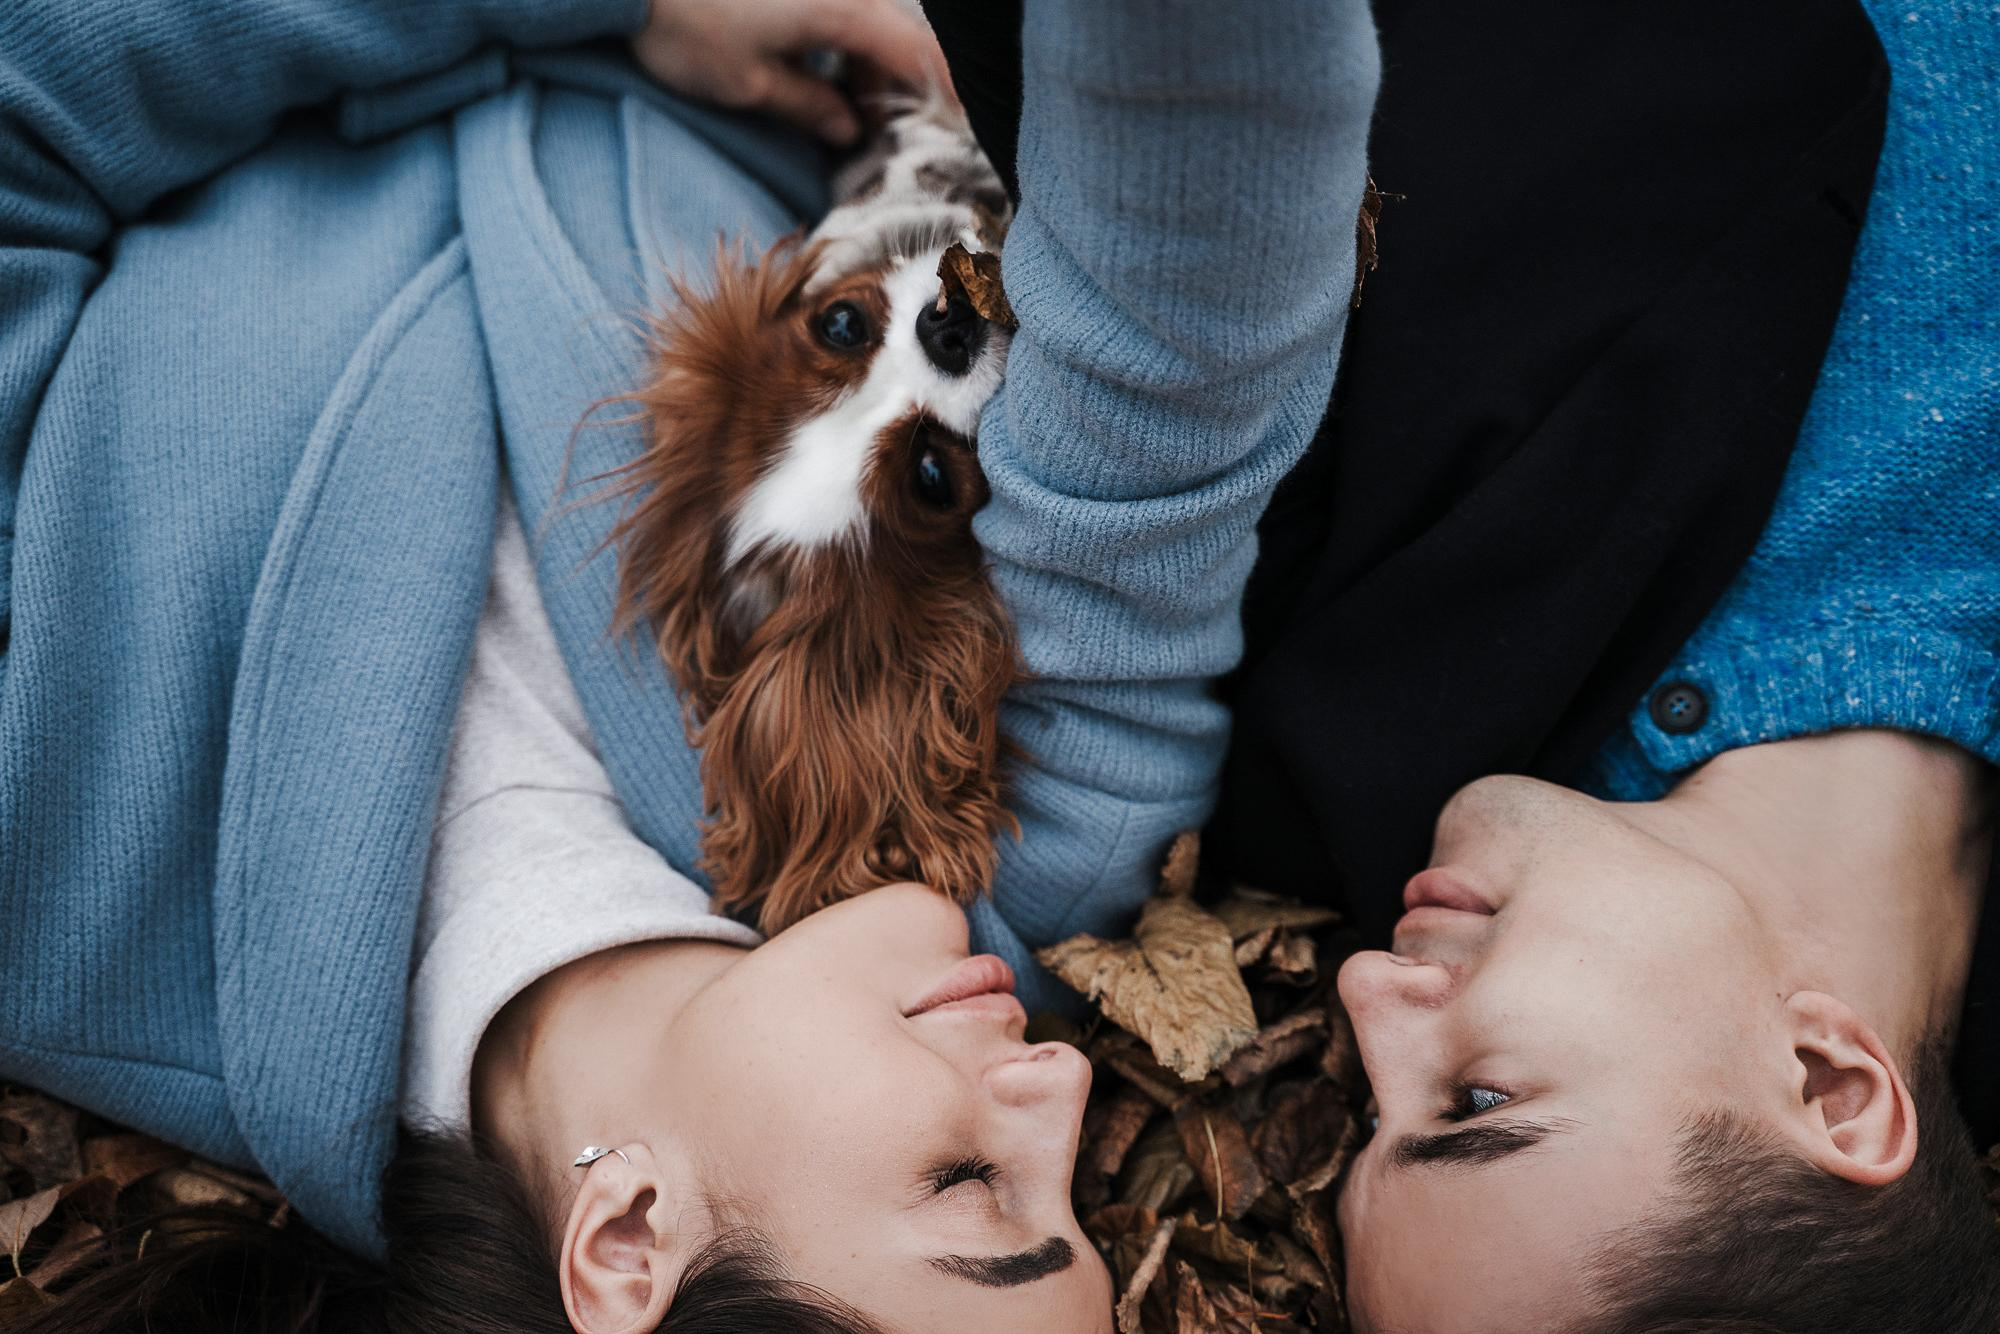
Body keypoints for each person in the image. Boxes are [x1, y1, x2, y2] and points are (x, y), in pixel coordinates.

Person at [0, 0, 1380, 1329]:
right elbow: (1185, 315)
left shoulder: (56, 875)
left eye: (968, 1184)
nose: (1065, 1082)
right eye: (1076, 1198)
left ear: (629, 1235)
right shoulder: (1011, 852)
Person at [924, 1, 2000, 1329]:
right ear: (1830, 1079)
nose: (1369, 991)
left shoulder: (1344, 664)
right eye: (1477, 1101)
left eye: (1381, 1111)